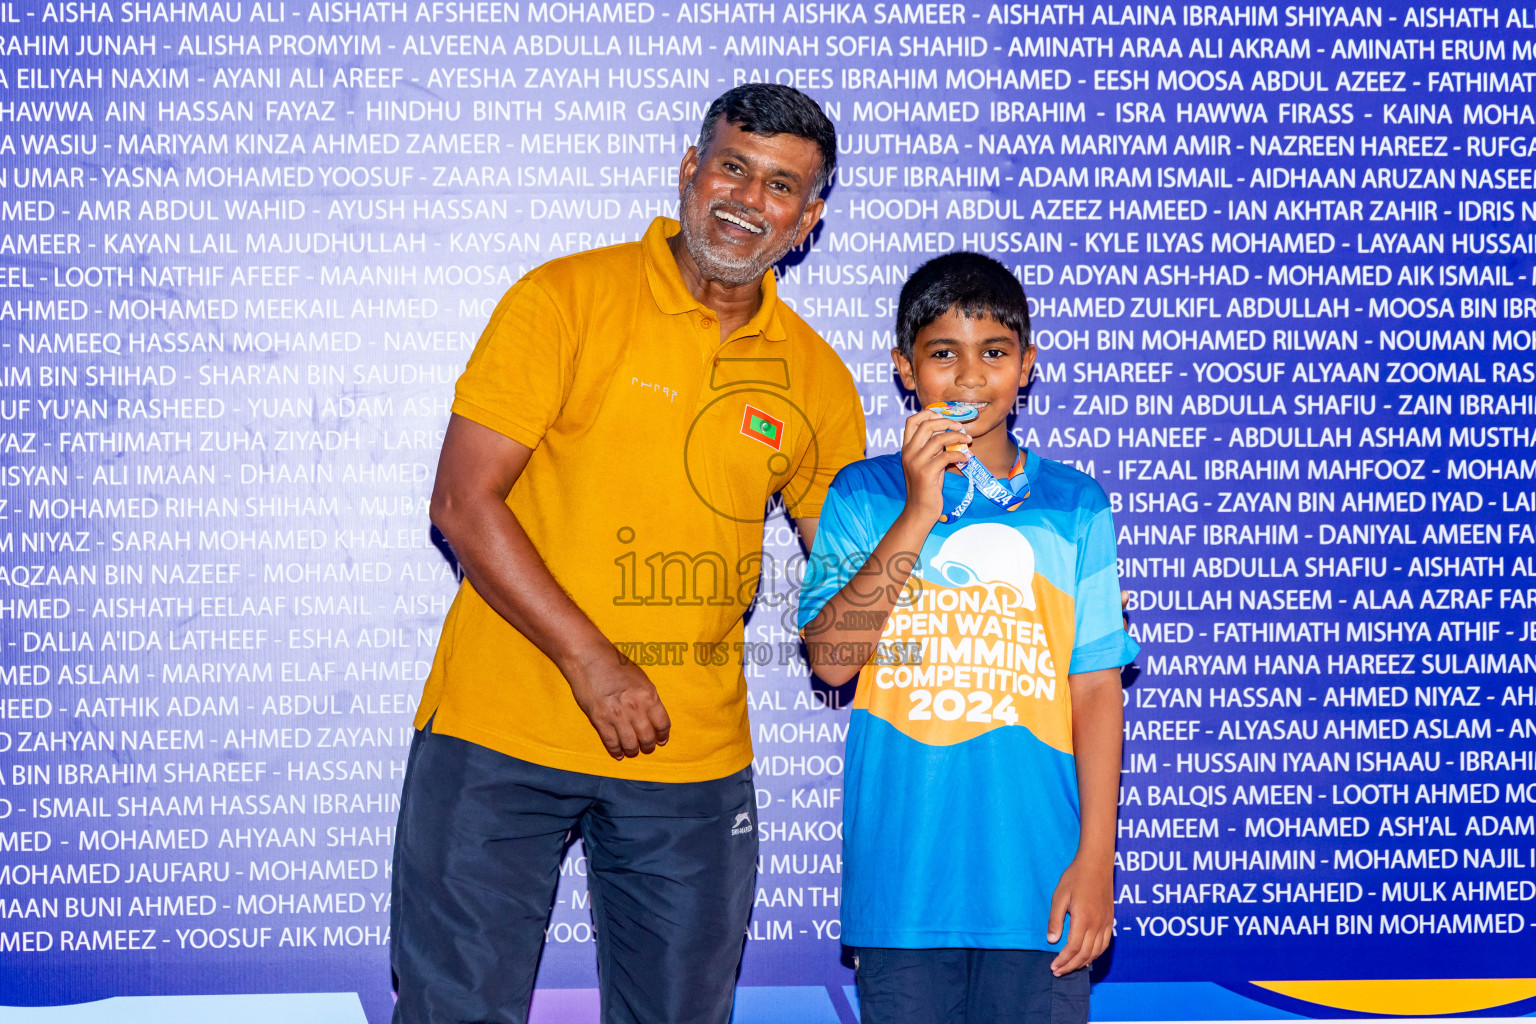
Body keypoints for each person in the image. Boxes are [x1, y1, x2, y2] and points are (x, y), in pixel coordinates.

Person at [391, 84, 865, 1024]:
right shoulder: (564, 297)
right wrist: (592, 662)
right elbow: (461, 499)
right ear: (690, 171)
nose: (746, 198)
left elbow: (840, 611)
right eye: (732, 166)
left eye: (780, 186)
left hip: (693, 761)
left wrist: (919, 525)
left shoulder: (816, 376)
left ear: (807, 221)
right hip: (500, 732)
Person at [796, 252, 1137, 1024]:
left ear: (1027, 367)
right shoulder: (864, 492)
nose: (970, 377)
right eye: (943, 353)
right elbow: (833, 658)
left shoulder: (1075, 505)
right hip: (904, 883)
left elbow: (1095, 691)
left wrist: (1095, 861)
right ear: (904, 370)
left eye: (994, 353)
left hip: (1039, 882)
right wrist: (917, 510)